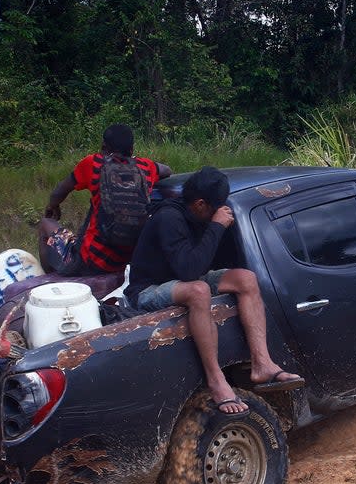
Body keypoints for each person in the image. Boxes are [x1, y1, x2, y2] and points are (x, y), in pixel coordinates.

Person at [125, 166, 305, 414]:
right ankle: (216, 379)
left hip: (183, 277)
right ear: (200, 204)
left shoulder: (198, 216)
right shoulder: (169, 218)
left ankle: (262, 363)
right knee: (198, 290)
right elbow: (189, 271)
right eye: (216, 207)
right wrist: (217, 226)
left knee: (246, 279)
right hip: (148, 289)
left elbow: (200, 264)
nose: (220, 211)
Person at [38, 124, 171, 276]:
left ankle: (49, 280)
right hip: (129, 259)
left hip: (92, 261)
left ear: (103, 146)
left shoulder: (94, 163)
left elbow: (59, 191)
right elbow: (167, 170)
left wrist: (52, 206)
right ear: (132, 149)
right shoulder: (145, 167)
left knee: (45, 225)